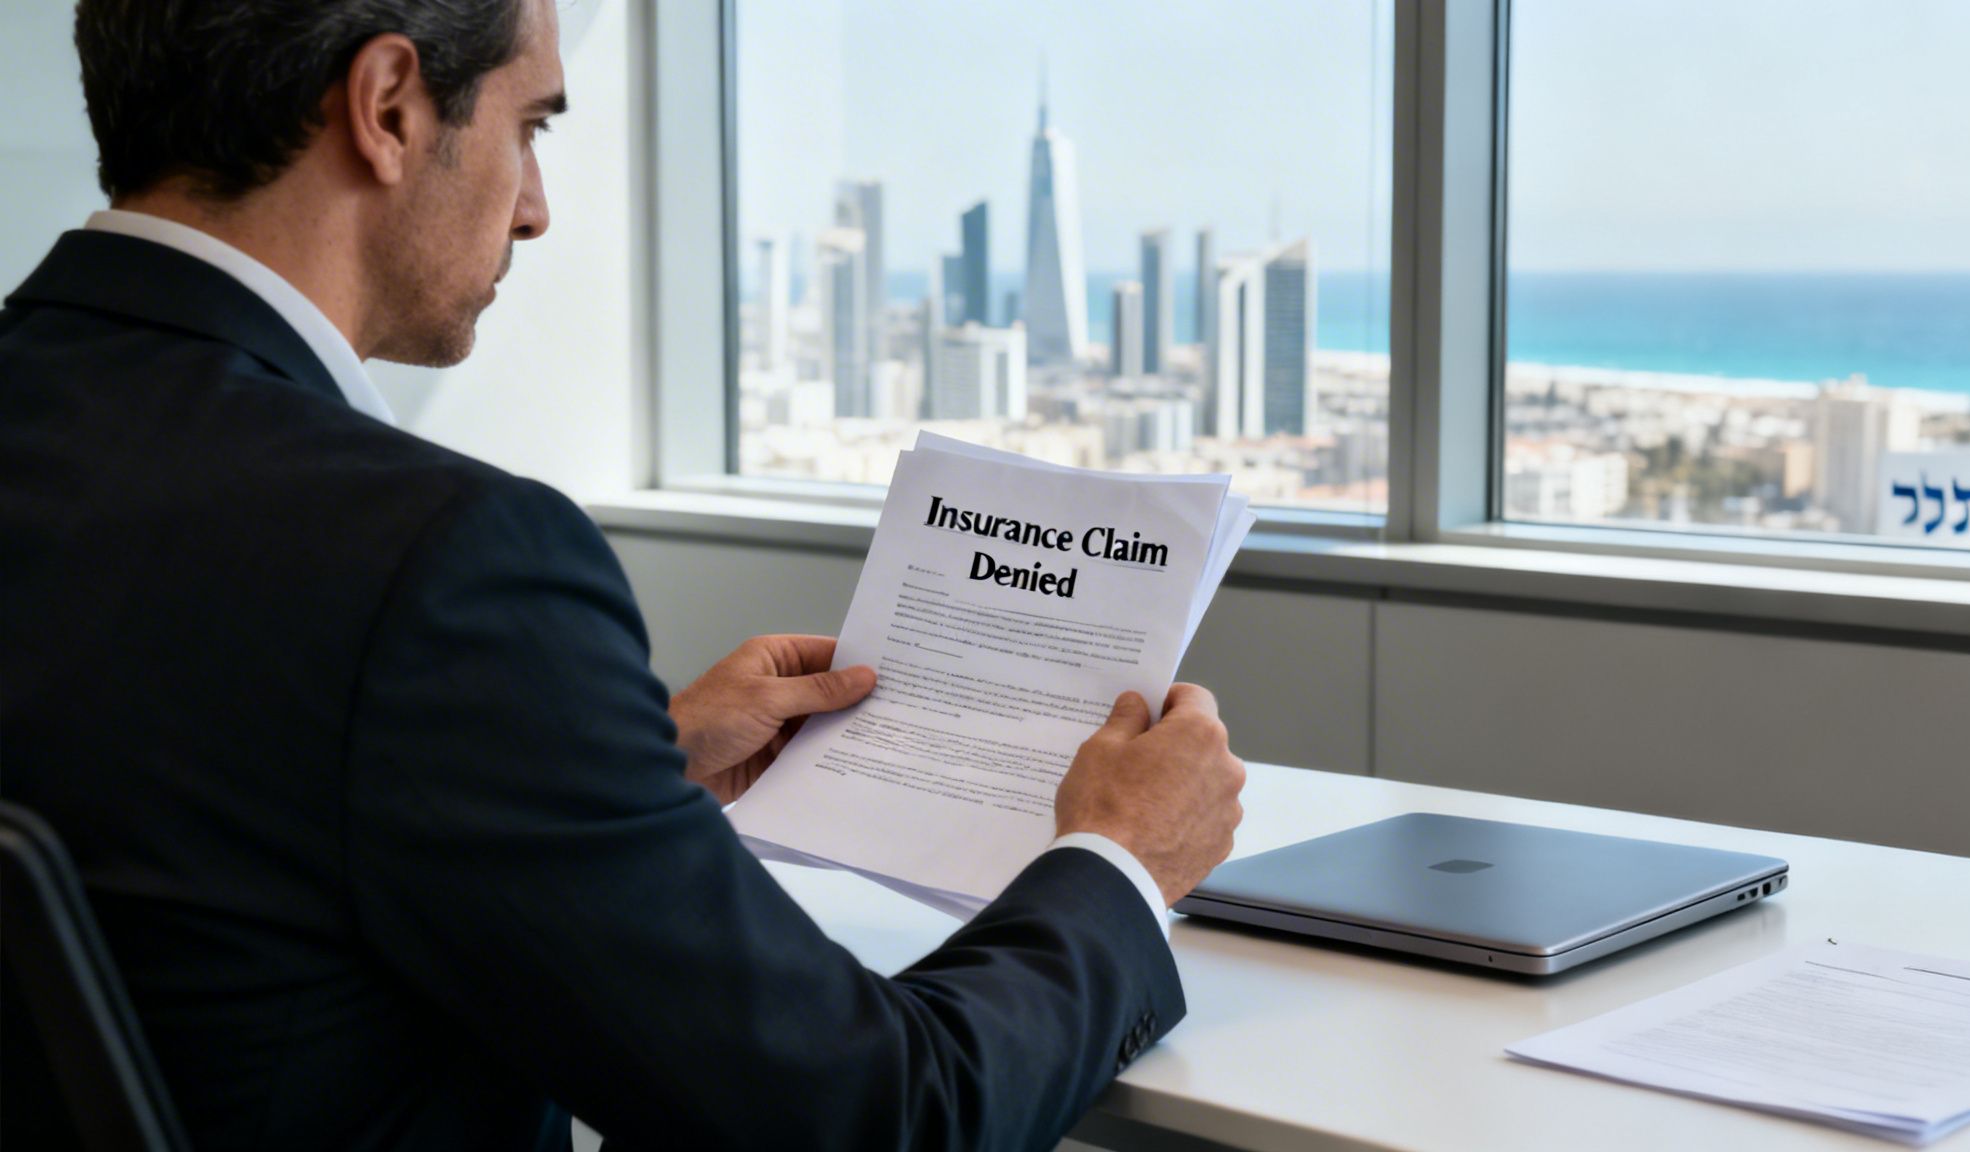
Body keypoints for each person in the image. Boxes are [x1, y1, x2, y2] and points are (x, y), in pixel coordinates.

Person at [0, 1, 1246, 1149]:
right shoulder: (440, 563)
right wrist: (1117, 865)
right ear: (386, 108)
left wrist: (618, 761)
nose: (535, 206)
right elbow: (873, 1113)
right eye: (529, 126)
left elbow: (205, 788)